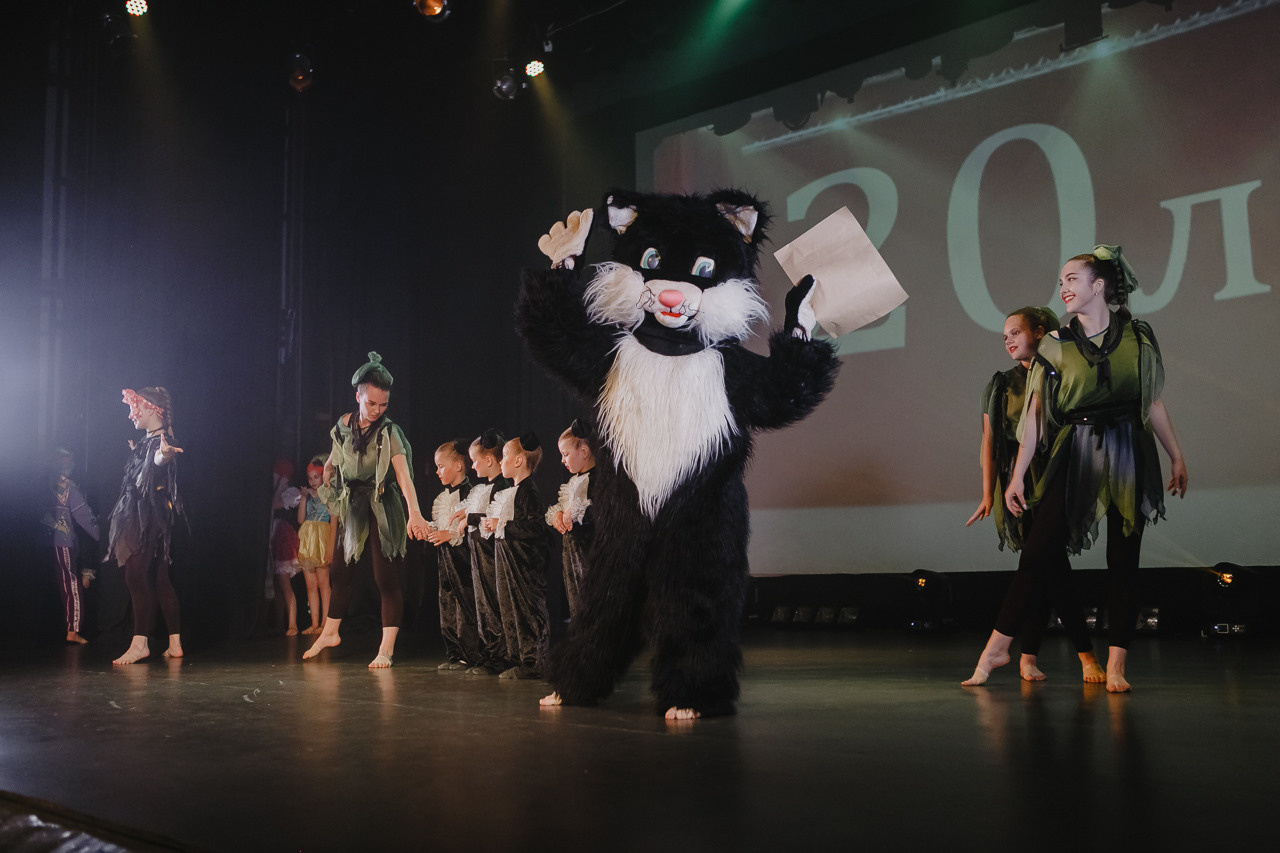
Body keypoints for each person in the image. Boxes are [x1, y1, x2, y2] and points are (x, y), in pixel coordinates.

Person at [964, 246, 1188, 693]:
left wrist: (1176, 455)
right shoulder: (1055, 344)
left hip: (1129, 445)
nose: (1063, 288)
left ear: (1098, 285)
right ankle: (997, 647)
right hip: (1078, 447)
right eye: (1062, 281)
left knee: (1124, 561)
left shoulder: (1138, 336)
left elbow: (1153, 400)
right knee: (1038, 550)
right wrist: (1015, 475)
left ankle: (1118, 661)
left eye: (1071, 279)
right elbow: (1033, 416)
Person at [965, 308, 1104, 683]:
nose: (1008, 340)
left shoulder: (1060, 374)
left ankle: (1048, 655)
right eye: (1004, 335)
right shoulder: (1001, 383)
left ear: (1040, 333)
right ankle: (1040, 656)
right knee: (1048, 568)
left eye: (1016, 332)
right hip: (1020, 484)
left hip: (1058, 479)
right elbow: (990, 441)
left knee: (1044, 564)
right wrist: (987, 495)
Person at [302, 352, 431, 668]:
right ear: (357, 396)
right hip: (354, 503)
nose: (377, 410)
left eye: (383, 404)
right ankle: (331, 632)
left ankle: (386, 647)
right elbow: (334, 458)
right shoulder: (343, 425)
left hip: (382, 503)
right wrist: (329, 475)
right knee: (340, 571)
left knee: (384, 576)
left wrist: (414, 512)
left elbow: (403, 475)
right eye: (371, 403)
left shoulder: (390, 432)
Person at [106, 387, 185, 665]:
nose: (130, 415)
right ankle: (175, 643)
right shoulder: (150, 439)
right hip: (154, 516)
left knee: (136, 576)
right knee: (160, 579)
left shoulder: (163, 441)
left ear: (151, 408)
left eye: (134, 408)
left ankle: (140, 643)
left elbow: (159, 460)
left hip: (146, 518)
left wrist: (163, 455)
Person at [482, 433, 550, 678]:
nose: (501, 461)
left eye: (505, 457)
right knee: (511, 609)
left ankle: (533, 662)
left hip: (525, 564)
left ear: (520, 460)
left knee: (527, 612)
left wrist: (504, 525)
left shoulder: (528, 491)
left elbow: (536, 527)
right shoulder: (515, 490)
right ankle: (518, 658)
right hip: (510, 561)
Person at [458, 429, 510, 675]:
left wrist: (469, 517)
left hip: (492, 555)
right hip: (479, 554)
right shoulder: (484, 486)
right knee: (483, 604)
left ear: (489, 460)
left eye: (475, 461)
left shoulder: (503, 485)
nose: (472, 466)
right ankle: (488, 653)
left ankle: (499, 657)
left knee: (493, 603)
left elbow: (495, 514)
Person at [425, 439, 480, 671]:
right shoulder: (443, 497)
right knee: (447, 602)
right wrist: (429, 529)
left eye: (441, 466)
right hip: (446, 560)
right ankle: (455, 653)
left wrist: (450, 535)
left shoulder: (472, 494)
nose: (437, 471)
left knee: (465, 603)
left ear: (458, 466)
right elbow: (442, 525)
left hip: (464, 560)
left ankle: (470, 654)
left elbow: (475, 526)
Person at [41, 448, 100, 644]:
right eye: (67, 460)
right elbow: (83, 515)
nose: (70, 463)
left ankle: (64, 628)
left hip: (49, 541)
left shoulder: (44, 484)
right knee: (71, 585)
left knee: (62, 584)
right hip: (63, 541)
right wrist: (101, 532)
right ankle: (73, 630)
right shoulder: (66, 486)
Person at [545, 421, 595, 618]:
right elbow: (560, 505)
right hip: (571, 557)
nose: (562, 460)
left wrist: (575, 514)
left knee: (591, 604)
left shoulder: (598, 479)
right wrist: (557, 515)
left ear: (583, 452)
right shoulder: (573, 481)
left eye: (565, 454)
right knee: (576, 604)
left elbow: (596, 513)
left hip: (589, 554)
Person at [296, 456, 336, 636]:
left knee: (323, 584)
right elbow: (300, 519)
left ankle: (325, 624)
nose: (313, 482)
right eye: (310, 478)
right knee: (310, 585)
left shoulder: (328, 494)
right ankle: (314, 623)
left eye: (316, 477)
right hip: (308, 539)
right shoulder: (307, 496)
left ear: (323, 477)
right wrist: (303, 498)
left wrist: (330, 548)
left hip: (322, 538)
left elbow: (334, 522)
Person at [269, 459, 301, 636]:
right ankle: (279, 623)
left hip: (281, 534)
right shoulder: (274, 489)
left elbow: (275, 504)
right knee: (275, 585)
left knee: (285, 584)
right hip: (270, 534)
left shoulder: (291, 492)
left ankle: (292, 624)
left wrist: (279, 486)